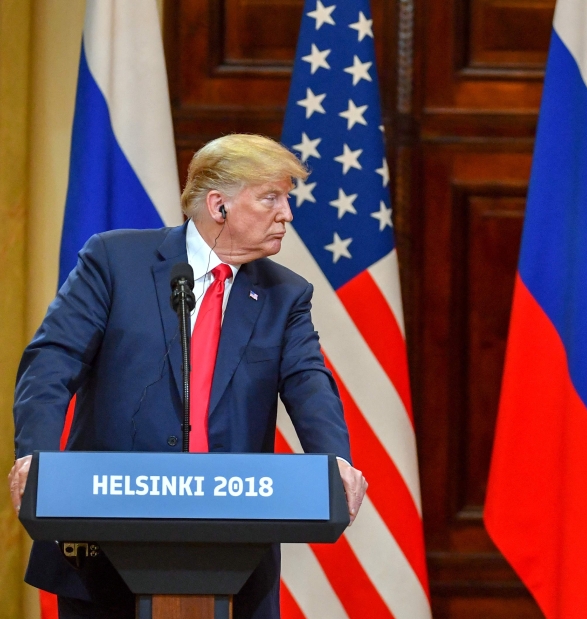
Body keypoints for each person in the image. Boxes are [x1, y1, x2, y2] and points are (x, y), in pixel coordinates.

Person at [7, 134, 368, 619]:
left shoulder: (286, 295)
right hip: (105, 542)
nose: (287, 214)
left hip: (234, 555)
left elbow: (309, 383)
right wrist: (37, 458)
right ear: (218, 205)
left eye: (287, 198)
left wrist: (334, 462)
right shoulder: (115, 262)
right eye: (271, 198)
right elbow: (51, 362)